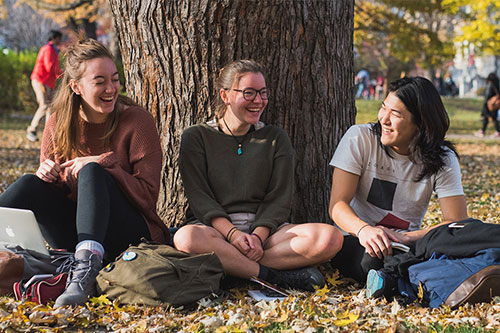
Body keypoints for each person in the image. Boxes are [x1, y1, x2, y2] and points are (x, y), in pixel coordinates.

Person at [0, 39, 170, 307]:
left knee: (92, 170)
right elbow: (54, 192)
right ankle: (79, 263)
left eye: (114, 79)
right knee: (28, 184)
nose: (111, 88)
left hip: (131, 235)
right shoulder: (58, 120)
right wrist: (48, 174)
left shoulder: (137, 121)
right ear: (76, 86)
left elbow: (148, 198)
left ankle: (83, 276)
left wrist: (104, 162)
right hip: (76, 237)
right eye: (100, 81)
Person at [173, 59, 343, 291]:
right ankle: (269, 276)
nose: (259, 101)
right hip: (217, 233)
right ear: (225, 96)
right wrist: (233, 235)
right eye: (249, 93)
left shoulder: (274, 138)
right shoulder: (196, 137)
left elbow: (279, 198)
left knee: (330, 238)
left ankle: (232, 269)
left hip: (267, 234)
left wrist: (257, 237)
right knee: (186, 239)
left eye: (263, 93)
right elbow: (200, 198)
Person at [328, 76, 468, 285]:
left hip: (407, 244)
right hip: (358, 238)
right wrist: (365, 230)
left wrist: (406, 238)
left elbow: (457, 223)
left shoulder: (443, 158)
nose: (384, 119)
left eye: (395, 114)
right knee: (371, 262)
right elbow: (337, 205)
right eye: (383, 108)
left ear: (420, 123)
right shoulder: (360, 138)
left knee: (460, 247)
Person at [27, 30, 64, 142]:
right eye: (59, 38)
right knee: (44, 105)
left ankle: (49, 134)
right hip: (40, 80)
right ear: (54, 38)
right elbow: (50, 67)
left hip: (47, 82)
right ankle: (31, 130)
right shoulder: (48, 49)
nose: (60, 40)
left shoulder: (53, 50)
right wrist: (63, 73)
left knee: (50, 108)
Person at [475, 73, 500, 138]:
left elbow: (487, 96)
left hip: (489, 104)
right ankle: (483, 131)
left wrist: (484, 106)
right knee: (489, 118)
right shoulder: (497, 85)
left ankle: (497, 132)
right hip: (495, 105)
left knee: (491, 118)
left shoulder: (490, 85)